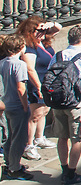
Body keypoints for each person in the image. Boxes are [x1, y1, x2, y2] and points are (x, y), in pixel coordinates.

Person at [51, 26, 81, 185]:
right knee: (77, 138)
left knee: (62, 137)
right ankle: (71, 174)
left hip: (58, 102)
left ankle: (64, 170)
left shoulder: (58, 55)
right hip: (76, 103)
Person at [18, 17, 57, 161]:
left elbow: (57, 27)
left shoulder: (42, 42)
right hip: (36, 84)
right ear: (30, 30)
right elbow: (30, 68)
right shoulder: (29, 46)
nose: (43, 32)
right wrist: (39, 86)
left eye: (43, 29)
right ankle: (29, 146)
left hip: (46, 82)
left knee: (44, 111)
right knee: (34, 115)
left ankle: (39, 138)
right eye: (39, 30)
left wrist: (49, 25)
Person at [1, 34, 31, 180]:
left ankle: (9, 163)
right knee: (19, 139)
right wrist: (25, 106)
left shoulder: (2, 63)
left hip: (5, 105)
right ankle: (15, 168)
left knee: (9, 137)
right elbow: (21, 88)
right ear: (20, 47)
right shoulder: (19, 65)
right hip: (17, 106)